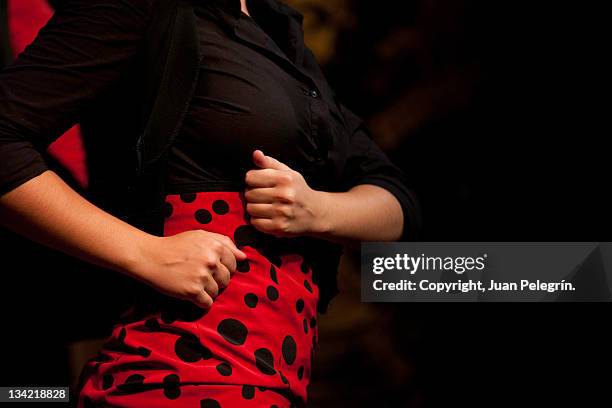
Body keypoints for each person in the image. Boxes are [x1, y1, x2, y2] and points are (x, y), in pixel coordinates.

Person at [0, 0, 419, 406]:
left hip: (272, 378)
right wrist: (143, 251)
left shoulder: (277, 31)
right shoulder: (146, 8)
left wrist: (314, 211)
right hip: (183, 371)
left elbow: (397, 202)